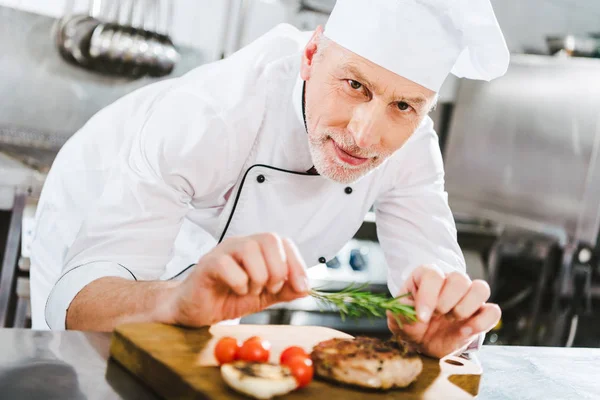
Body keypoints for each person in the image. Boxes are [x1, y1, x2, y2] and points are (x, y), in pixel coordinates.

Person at [30, 0, 510, 358]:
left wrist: (445, 325)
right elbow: (77, 304)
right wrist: (177, 297)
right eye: (354, 85)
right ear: (311, 55)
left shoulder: (413, 150)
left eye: (404, 106)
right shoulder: (215, 114)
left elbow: (439, 286)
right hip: (95, 203)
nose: (364, 135)